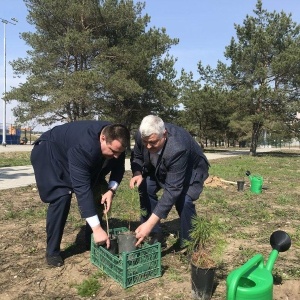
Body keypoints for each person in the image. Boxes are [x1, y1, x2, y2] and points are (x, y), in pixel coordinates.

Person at [31, 120, 130, 267]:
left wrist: (111, 190)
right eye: (113, 151)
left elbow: (118, 168)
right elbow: (82, 189)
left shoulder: (116, 138)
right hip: (50, 152)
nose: (116, 156)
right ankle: (52, 252)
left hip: (73, 152)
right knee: (62, 196)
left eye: (119, 152)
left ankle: (91, 240)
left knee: (98, 189)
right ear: (102, 138)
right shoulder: (83, 147)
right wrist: (98, 228)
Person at [130, 115, 209, 248]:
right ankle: (155, 233)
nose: (148, 146)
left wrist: (148, 224)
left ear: (164, 134)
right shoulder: (143, 134)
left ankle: (190, 243)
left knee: (184, 200)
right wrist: (137, 173)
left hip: (189, 169)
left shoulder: (177, 147)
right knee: (146, 187)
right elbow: (137, 156)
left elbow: (173, 189)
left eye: (153, 142)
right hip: (159, 167)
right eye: (145, 142)